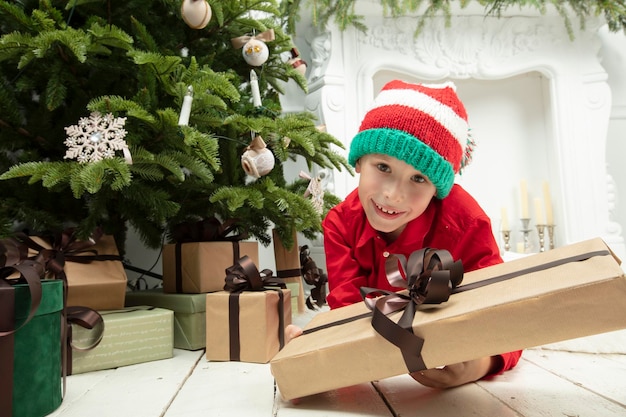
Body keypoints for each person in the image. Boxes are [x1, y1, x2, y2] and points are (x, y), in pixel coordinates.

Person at [287, 79, 522, 389]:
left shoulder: (467, 223)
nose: (394, 195)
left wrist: (478, 365)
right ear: (359, 162)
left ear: (437, 189)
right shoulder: (341, 224)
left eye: (418, 178)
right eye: (383, 167)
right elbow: (347, 311)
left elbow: (510, 315)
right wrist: (320, 346)